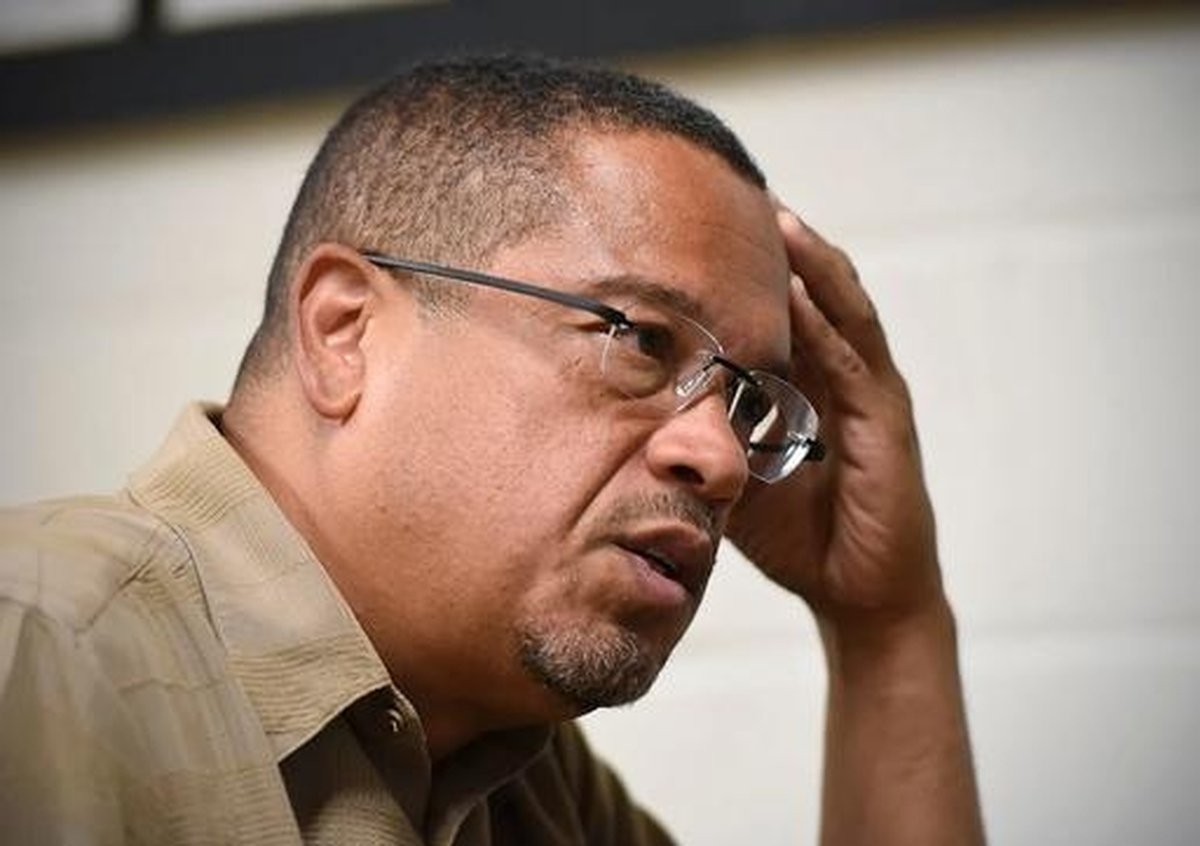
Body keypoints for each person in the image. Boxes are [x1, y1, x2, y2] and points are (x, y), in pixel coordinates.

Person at [0, 54, 984, 844]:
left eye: (746, 402)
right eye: (642, 340)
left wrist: (886, 626)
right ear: (345, 333)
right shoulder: (38, 649)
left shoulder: (524, 782)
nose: (722, 461)